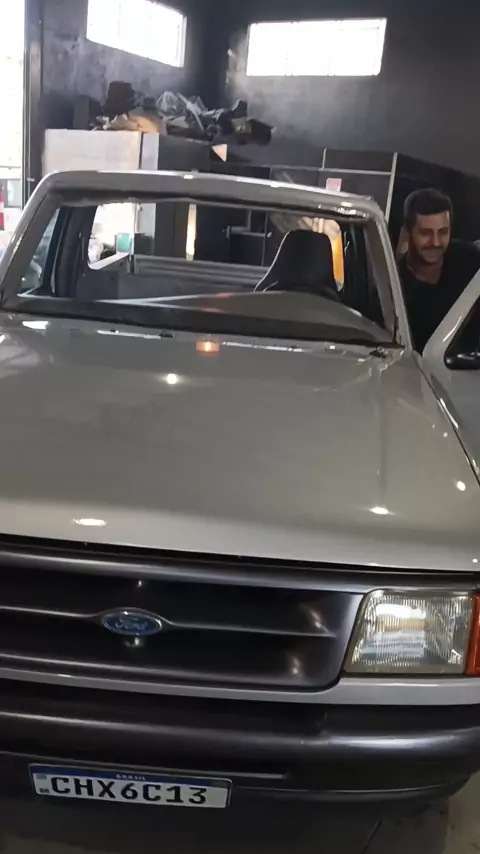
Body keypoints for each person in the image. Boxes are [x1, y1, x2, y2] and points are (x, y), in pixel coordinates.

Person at [398, 188, 480, 351]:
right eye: (425, 233)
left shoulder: (469, 259)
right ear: (407, 233)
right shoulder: (397, 288)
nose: (435, 242)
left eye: (443, 232)